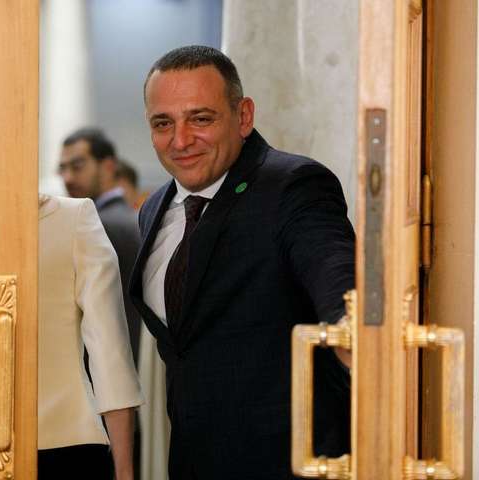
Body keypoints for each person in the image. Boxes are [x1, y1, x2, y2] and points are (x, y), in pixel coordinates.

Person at [128, 46, 354, 479]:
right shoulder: (153, 208)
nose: (180, 141)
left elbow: (336, 276)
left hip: (290, 464)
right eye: (163, 123)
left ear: (244, 116)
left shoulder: (294, 186)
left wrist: (351, 325)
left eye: (200, 119)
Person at [38, 194, 142, 479]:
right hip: (68, 441)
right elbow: (110, 354)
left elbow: (111, 355)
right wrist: (125, 473)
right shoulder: (73, 218)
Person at [58, 129, 142, 363]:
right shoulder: (129, 218)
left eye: (77, 166)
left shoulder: (99, 226)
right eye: (62, 169)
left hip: (102, 366)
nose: (68, 178)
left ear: (107, 166)